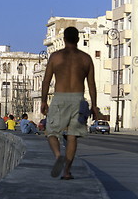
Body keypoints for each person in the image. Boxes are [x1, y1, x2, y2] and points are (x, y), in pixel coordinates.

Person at [41, 26, 97, 180]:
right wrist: (94, 106)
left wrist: (44, 101)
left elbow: (46, 81)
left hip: (60, 97)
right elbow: (92, 84)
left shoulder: (55, 57)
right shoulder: (86, 58)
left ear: (64, 39)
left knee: (51, 132)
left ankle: (58, 155)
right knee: (72, 136)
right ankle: (66, 171)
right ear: (78, 39)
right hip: (78, 99)